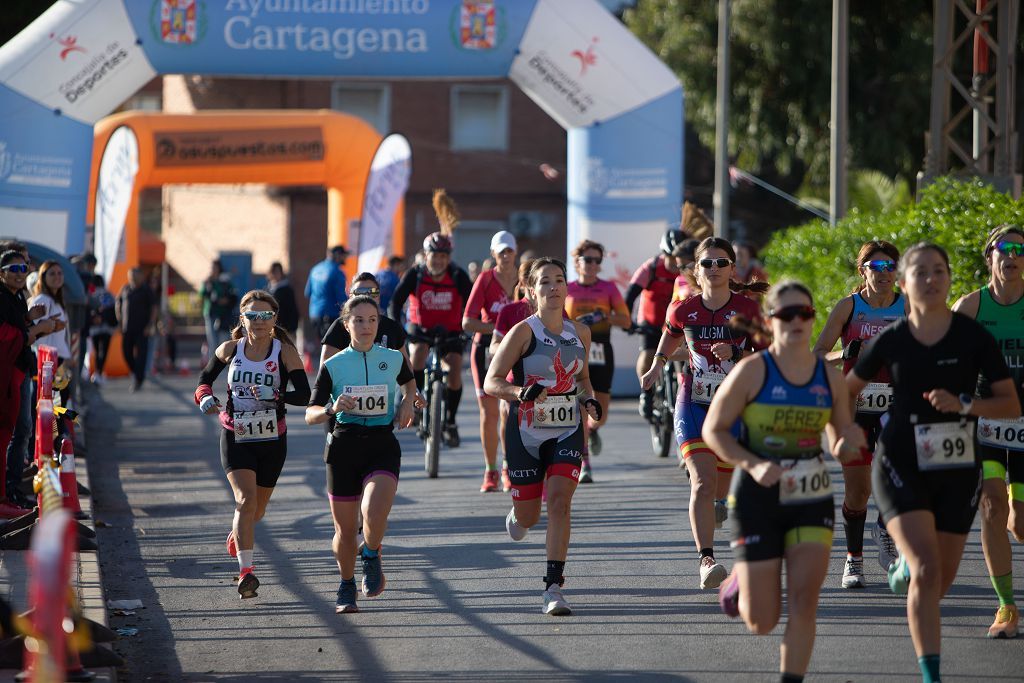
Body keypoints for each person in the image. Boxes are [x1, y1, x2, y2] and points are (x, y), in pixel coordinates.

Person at [847, 242, 1020, 683]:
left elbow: (1009, 402)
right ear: (905, 284)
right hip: (900, 460)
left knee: (936, 582)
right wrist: (839, 432)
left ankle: (908, 569)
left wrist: (964, 403)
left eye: (938, 270)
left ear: (948, 279)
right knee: (925, 569)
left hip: (957, 466)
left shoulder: (971, 336)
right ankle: (932, 676)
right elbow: (847, 390)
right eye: (919, 272)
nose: (930, 278)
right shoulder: (892, 338)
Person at [706, 281, 865, 682]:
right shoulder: (753, 371)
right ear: (770, 321)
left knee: (804, 602)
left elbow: (838, 437)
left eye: (805, 314)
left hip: (810, 495)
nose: (796, 321)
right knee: (761, 620)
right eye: (786, 315)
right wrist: (753, 464)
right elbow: (715, 430)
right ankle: (740, 581)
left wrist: (849, 441)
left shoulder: (827, 378)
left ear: (813, 320)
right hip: (757, 496)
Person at [641, 237, 769, 589]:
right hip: (693, 401)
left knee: (720, 491)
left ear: (732, 268)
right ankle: (706, 560)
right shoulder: (683, 309)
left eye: (721, 262)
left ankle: (718, 506)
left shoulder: (749, 310)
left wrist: (737, 354)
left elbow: (767, 357)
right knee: (701, 479)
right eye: (707, 264)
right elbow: (668, 339)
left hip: (734, 407)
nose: (714, 269)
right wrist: (656, 365)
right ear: (696, 270)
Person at [484, 257, 602, 616]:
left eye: (560, 280)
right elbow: (492, 382)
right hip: (525, 431)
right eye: (546, 282)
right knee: (530, 517)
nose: (554, 287)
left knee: (561, 502)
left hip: (567, 428)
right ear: (532, 292)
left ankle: (553, 586)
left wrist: (590, 400)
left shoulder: (580, 332)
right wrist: (521, 393)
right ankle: (519, 516)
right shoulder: (523, 331)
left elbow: (582, 379)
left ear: (567, 288)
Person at [195, 290, 310, 599]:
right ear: (242, 319)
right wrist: (206, 397)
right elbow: (203, 381)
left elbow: (305, 395)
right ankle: (246, 572)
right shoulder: (230, 350)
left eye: (265, 316)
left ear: (274, 319)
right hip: (236, 434)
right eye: (252, 316)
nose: (259, 322)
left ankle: (238, 533)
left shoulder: (284, 352)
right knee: (245, 502)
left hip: (273, 438)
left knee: (257, 510)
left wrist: (277, 396)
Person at [306, 296, 418, 613]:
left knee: (372, 509)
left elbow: (411, 385)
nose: (366, 326)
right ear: (346, 325)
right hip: (343, 446)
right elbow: (310, 413)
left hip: (381, 444)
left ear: (378, 323)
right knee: (343, 531)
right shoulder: (333, 365)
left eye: (371, 319)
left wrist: (409, 401)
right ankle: (346, 584)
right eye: (358, 320)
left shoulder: (394, 358)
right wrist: (331, 407)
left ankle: (369, 552)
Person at [813, 240, 907, 588]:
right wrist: (847, 352)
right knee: (858, 491)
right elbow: (818, 354)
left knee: (900, 477)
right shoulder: (848, 307)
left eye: (890, 267)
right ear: (862, 270)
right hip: (854, 409)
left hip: (897, 407)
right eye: (876, 267)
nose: (884, 274)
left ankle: (884, 527)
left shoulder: (907, 307)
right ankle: (853, 560)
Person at [952, 225, 1024, 638]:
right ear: (989, 257)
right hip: (987, 424)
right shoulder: (971, 306)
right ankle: (1007, 607)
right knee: (992, 507)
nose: (1011, 255)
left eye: (1019, 249)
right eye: (1003, 248)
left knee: (1020, 522)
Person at [389, 233, 472, 448]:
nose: (439, 261)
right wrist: (396, 326)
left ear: (448, 258)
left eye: (443, 257)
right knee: (417, 355)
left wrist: (471, 327)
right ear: (426, 256)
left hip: (451, 331)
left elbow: (472, 304)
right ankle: (415, 401)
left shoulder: (457, 275)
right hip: (420, 328)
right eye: (435, 256)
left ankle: (451, 421)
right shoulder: (415, 274)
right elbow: (396, 303)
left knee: (454, 370)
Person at [565, 239, 631, 482]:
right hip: (574, 349)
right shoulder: (568, 288)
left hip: (602, 347)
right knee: (581, 406)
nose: (592, 265)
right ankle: (584, 462)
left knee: (599, 412)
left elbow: (626, 321)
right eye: (587, 260)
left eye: (597, 260)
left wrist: (606, 316)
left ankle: (592, 431)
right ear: (577, 262)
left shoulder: (608, 289)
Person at [463, 231, 518, 492]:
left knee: (509, 411)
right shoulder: (485, 280)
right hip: (486, 349)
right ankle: (490, 470)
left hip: (517, 350)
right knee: (489, 412)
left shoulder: (523, 279)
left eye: (510, 251)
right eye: (501, 251)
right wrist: (498, 328)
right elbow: (467, 322)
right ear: (493, 254)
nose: (506, 256)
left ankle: (508, 467)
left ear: (515, 253)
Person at [0, 249, 47, 517]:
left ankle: (10, 492)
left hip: (22, 371)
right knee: (14, 432)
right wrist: (37, 329)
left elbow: (15, 325)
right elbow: (6, 334)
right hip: (9, 375)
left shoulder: (17, 296)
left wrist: (29, 319)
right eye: (14, 269)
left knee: (19, 429)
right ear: (2, 272)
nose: (21, 274)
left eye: (24, 268)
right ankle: (7, 493)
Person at [626, 229, 684, 422]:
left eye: (679, 258)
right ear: (663, 253)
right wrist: (629, 322)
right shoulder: (650, 268)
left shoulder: (687, 271)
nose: (675, 264)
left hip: (676, 323)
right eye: (671, 257)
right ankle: (646, 393)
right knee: (648, 352)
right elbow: (630, 296)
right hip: (651, 319)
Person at [320, 273, 408, 364]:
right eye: (359, 292)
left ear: (379, 298)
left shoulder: (392, 327)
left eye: (372, 292)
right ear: (350, 297)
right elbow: (325, 369)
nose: (366, 297)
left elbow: (407, 372)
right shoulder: (339, 327)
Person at [29, 261, 73, 414]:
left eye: (60, 273)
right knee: (47, 403)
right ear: (43, 277)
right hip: (45, 361)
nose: (57, 277)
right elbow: (30, 332)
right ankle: (48, 436)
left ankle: (60, 435)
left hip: (57, 360)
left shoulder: (56, 301)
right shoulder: (42, 300)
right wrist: (50, 327)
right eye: (52, 273)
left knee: (60, 399)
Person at [116, 267, 158, 391]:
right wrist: (119, 320)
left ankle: (138, 378)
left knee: (141, 355)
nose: (133, 278)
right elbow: (118, 303)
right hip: (127, 328)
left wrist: (150, 324)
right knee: (126, 352)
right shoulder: (125, 288)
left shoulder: (146, 290)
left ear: (141, 276)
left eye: (135, 275)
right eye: (131, 275)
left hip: (142, 329)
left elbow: (154, 308)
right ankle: (137, 373)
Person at [305, 246, 350, 343]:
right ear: (338, 255)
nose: (346, 258)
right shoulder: (337, 272)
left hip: (314, 314)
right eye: (344, 255)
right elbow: (342, 299)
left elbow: (307, 293)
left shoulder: (315, 269)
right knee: (332, 347)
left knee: (323, 346)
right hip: (330, 316)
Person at [200, 260, 238, 357]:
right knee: (212, 341)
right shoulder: (208, 281)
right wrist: (207, 284)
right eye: (212, 268)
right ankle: (212, 364)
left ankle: (221, 361)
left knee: (223, 340)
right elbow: (203, 294)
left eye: (215, 267)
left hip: (223, 314)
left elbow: (232, 294)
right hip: (211, 313)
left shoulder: (224, 280)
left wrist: (226, 300)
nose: (213, 270)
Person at [87, 275, 117, 383]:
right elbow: (115, 311)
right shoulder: (109, 295)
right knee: (103, 351)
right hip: (107, 328)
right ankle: (99, 372)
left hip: (94, 328)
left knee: (96, 350)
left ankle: (96, 372)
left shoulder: (91, 295)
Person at [267, 262, 300, 340]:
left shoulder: (287, 289)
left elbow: (292, 309)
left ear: (281, 273)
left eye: (277, 272)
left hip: (285, 328)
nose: (275, 274)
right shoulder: (268, 289)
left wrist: (292, 328)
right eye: (273, 272)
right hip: (271, 328)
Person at [671, 239, 700, 303]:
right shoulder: (679, 280)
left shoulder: (710, 281)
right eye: (679, 267)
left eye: (683, 267)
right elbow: (673, 308)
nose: (681, 272)